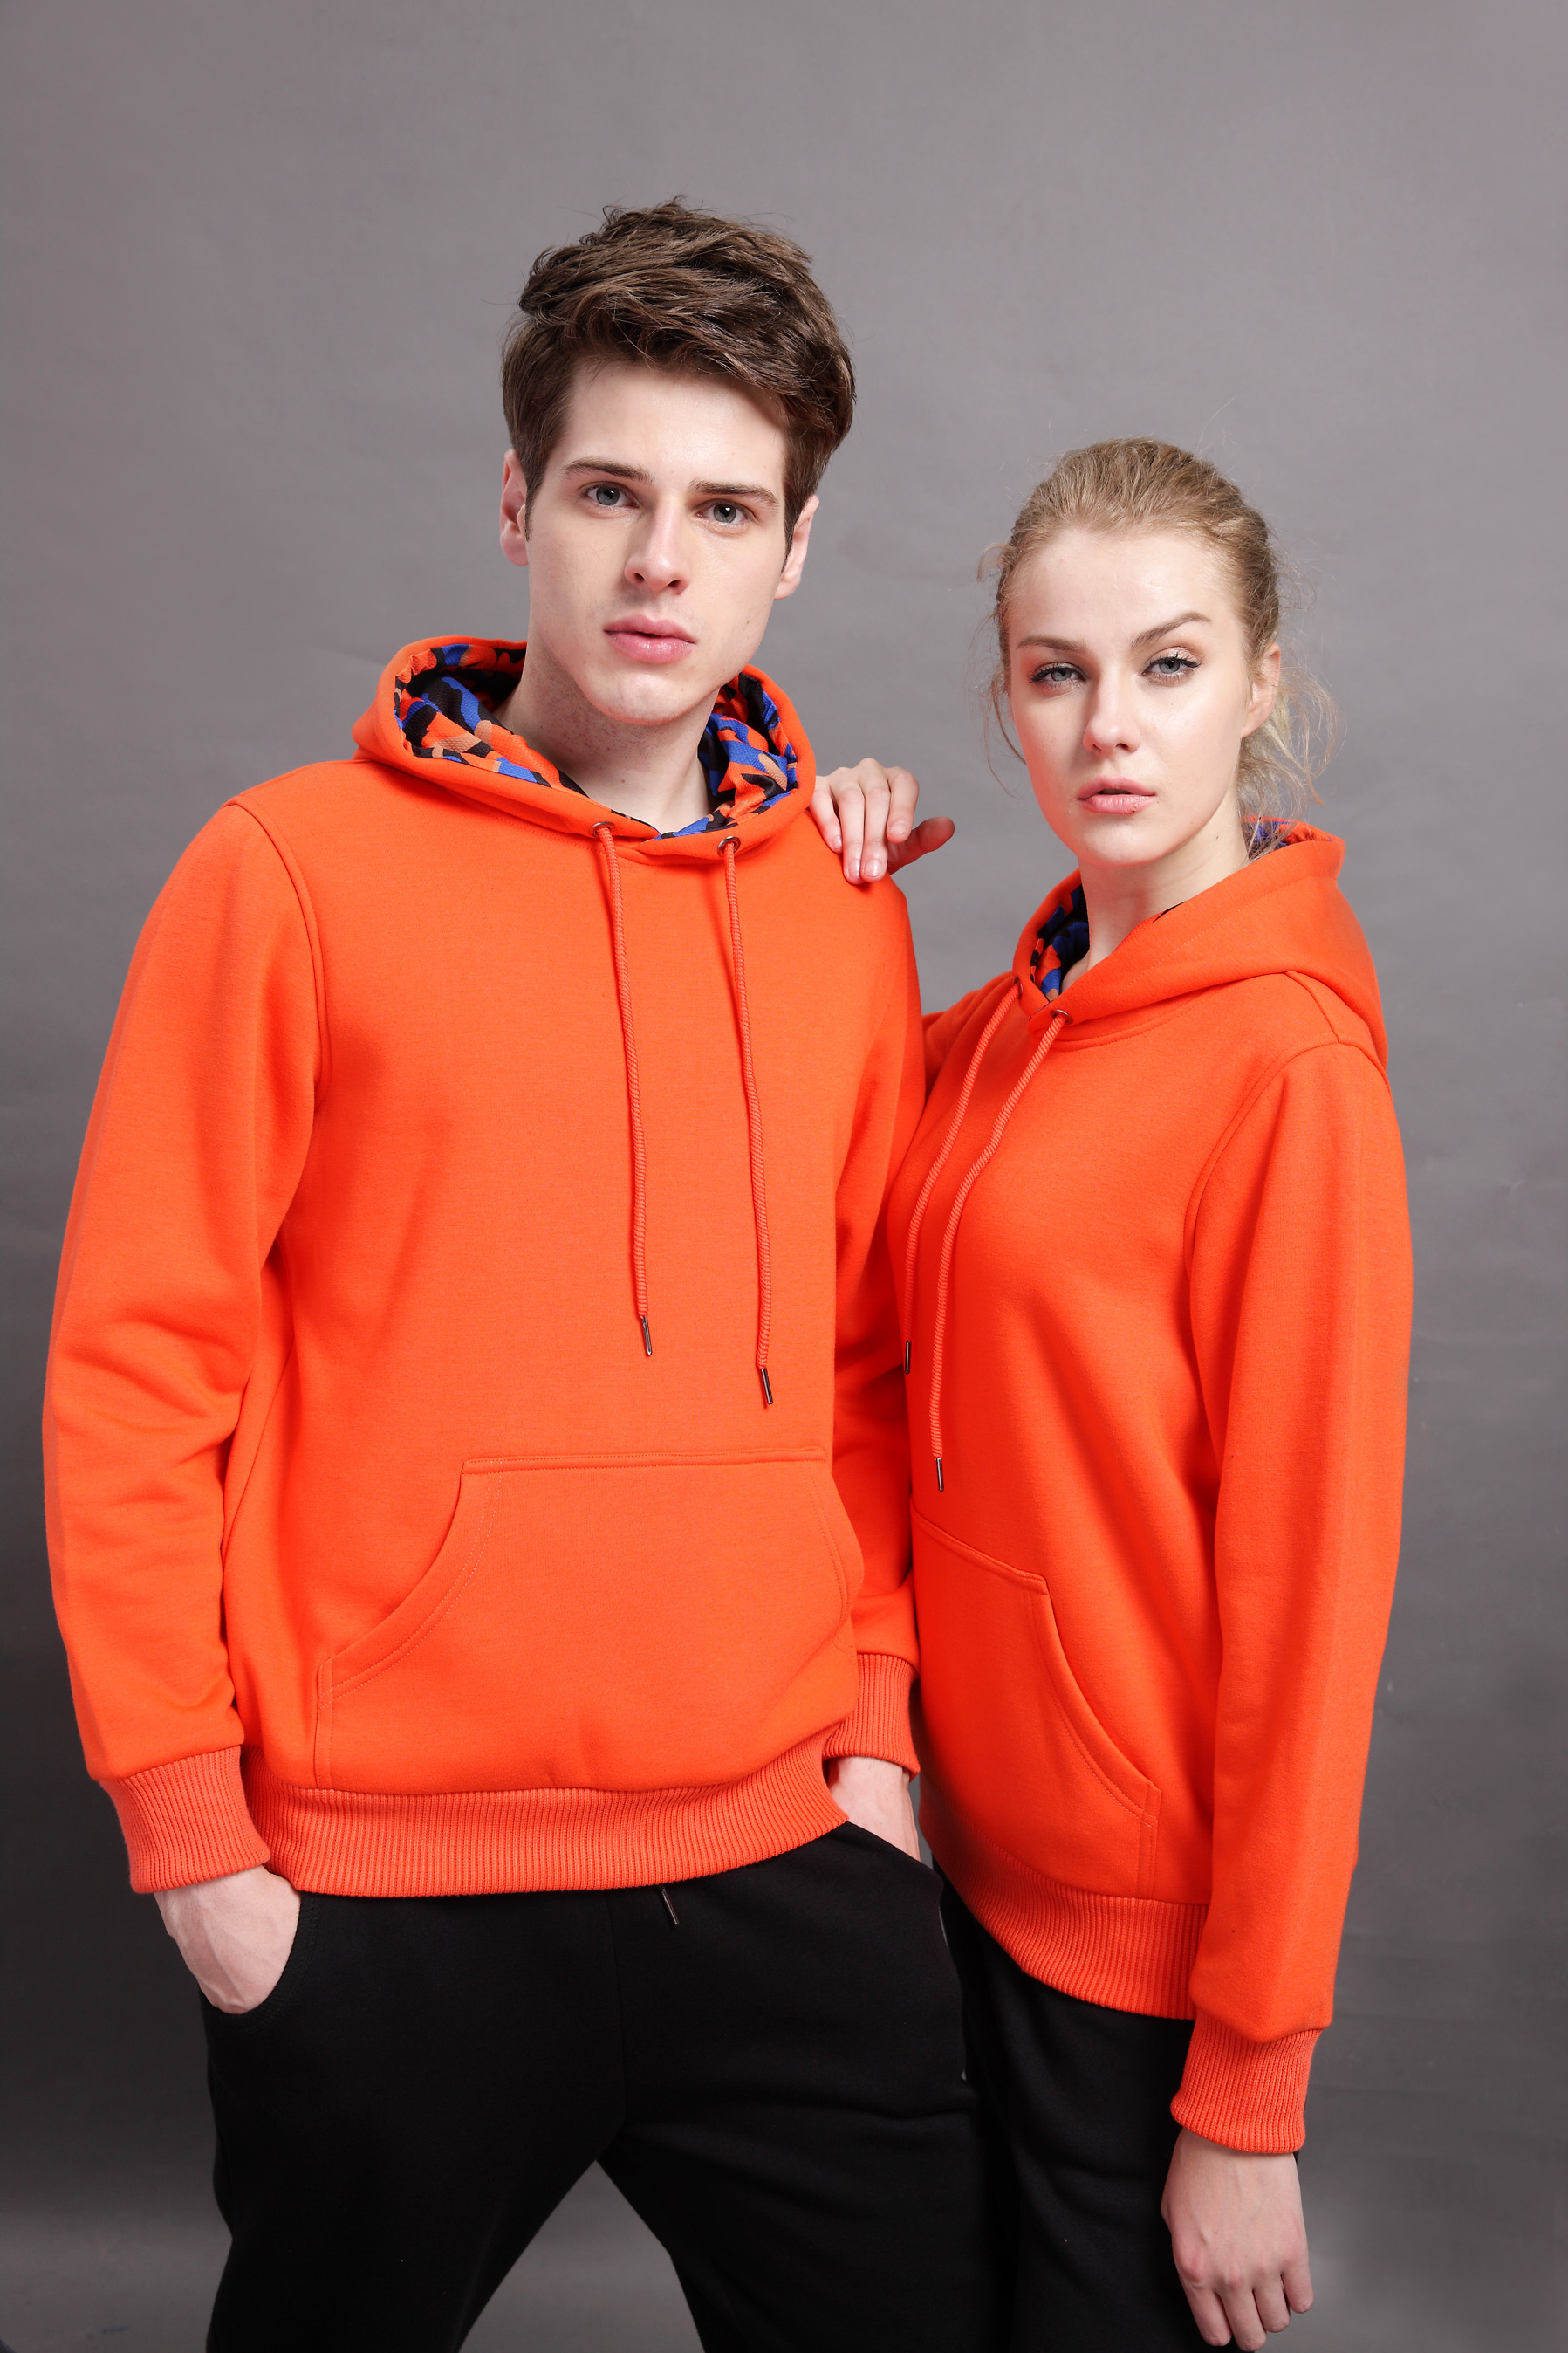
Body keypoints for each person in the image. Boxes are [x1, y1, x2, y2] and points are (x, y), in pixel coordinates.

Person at [43, 202, 1001, 2353]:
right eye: (606, 494)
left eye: (723, 510)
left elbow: (864, 1364)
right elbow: (135, 1371)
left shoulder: (842, 903)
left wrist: (871, 1744)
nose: (660, 563)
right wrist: (198, 1853)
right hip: (383, 1895)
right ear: (513, 506)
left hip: (780, 1858)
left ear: (795, 551)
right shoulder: (283, 873)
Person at [810, 440, 1412, 2350]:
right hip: (941, 1867)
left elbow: (1309, 1613)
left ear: (1258, 682)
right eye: (1054, 672)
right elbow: (810, 1195)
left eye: (1166, 664)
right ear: (1005, 696)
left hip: (1131, 1955)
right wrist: (808, 873)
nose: (1107, 726)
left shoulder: (1289, 1078)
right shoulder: (997, 1033)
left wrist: (1246, 2091)